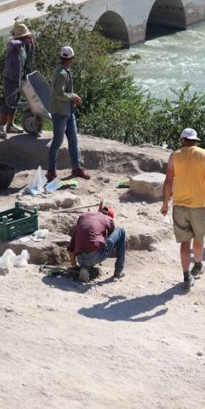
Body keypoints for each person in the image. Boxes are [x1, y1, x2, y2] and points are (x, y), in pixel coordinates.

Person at [161, 128, 205, 292]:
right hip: (199, 205)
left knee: (185, 242)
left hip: (179, 205)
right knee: (199, 238)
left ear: (182, 140)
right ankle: (198, 265)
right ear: (195, 141)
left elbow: (168, 182)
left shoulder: (174, 155)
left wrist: (165, 203)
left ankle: (186, 276)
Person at [48, 46, 89, 182]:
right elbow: (59, 94)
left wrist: (72, 98)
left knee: (73, 141)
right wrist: (73, 96)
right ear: (71, 58)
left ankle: (76, 168)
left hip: (68, 111)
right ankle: (51, 171)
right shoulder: (61, 73)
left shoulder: (64, 71)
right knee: (57, 142)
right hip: (60, 112)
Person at [0, 22, 35, 138]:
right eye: (26, 36)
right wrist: (20, 42)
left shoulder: (25, 47)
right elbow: (12, 42)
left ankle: (10, 125)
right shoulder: (13, 46)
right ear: (21, 37)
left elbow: (28, 60)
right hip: (9, 80)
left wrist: (29, 44)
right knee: (8, 103)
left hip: (18, 80)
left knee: (15, 103)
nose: (28, 38)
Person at [67, 204, 126, 283]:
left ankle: (85, 267)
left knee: (89, 242)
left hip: (80, 258)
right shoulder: (108, 219)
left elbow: (72, 244)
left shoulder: (84, 215)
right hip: (95, 256)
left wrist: (74, 266)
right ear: (110, 216)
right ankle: (119, 271)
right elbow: (112, 238)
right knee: (121, 231)